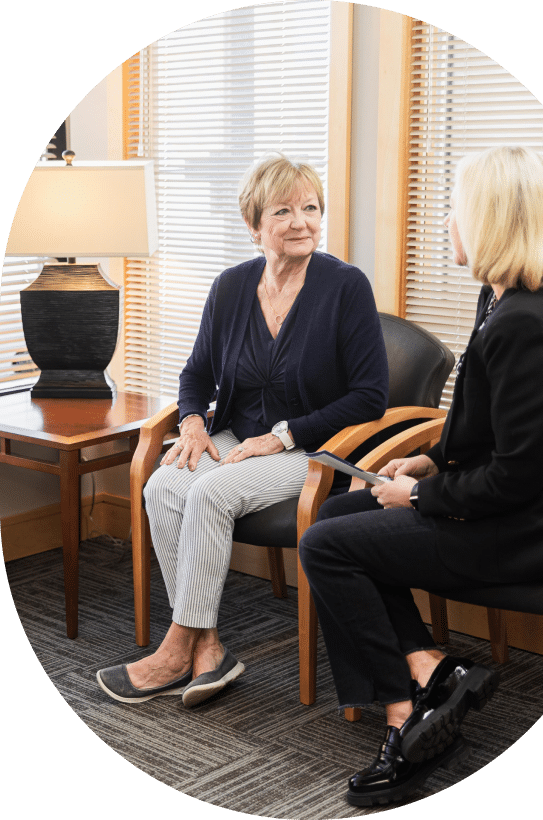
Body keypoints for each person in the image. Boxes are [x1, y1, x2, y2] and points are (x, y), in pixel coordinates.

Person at [299, 145, 543, 807]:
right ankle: (432, 668)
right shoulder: (510, 294)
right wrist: (433, 459)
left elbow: (514, 479)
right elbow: (493, 421)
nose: (446, 220)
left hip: (529, 530)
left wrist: (415, 494)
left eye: (456, 209)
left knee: (326, 545)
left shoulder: (531, 322)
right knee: (335, 520)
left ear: (491, 221)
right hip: (515, 502)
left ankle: (404, 715)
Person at [97, 153, 389, 707]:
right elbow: (196, 373)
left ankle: (177, 645)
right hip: (234, 435)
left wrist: (282, 436)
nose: (301, 221)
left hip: (310, 446)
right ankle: (208, 649)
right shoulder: (231, 288)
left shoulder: (345, 287)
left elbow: (370, 395)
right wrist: (190, 423)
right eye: (283, 211)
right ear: (254, 226)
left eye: (311, 208)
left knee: (207, 491)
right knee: (162, 484)